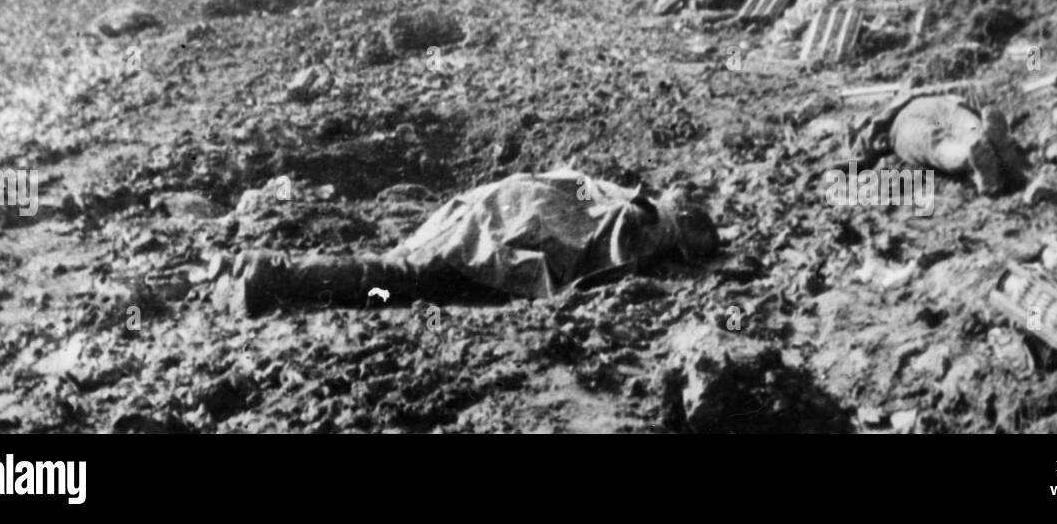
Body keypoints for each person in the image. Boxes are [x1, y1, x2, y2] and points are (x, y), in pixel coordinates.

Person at [218, 169, 719, 316]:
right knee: (396, 280)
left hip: (489, 206)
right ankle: (269, 272)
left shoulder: (617, 192)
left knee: (396, 267)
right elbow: (592, 260)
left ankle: (261, 265)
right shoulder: (635, 226)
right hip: (495, 232)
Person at [852, 89, 1027, 196]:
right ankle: (990, 142)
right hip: (934, 104)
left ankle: (972, 154)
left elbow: (859, 159)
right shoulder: (901, 99)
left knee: (937, 146)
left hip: (905, 127)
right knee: (964, 127)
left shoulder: (874, 134)